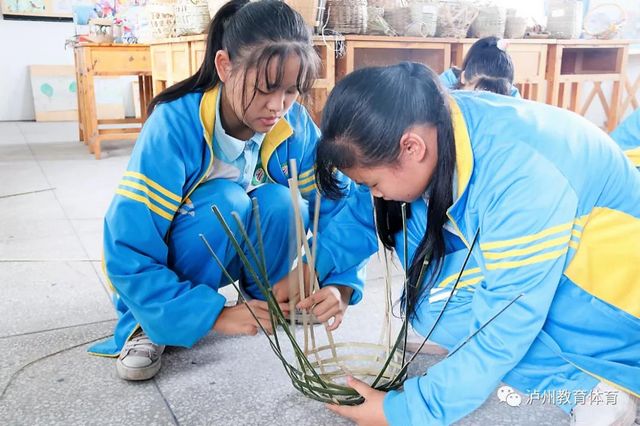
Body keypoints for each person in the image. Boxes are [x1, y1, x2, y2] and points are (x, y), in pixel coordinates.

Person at [314, 62, 640, 425]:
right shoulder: (438, 122)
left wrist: (403, 411)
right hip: (565, 263)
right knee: (427, 305)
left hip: (612, 299)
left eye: (372, 183)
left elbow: (505, 324)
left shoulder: (521, 175)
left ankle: (591, 387)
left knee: (497, 325)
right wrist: (319, 271)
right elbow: (367, 209)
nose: (374, 193)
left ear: (411, 147)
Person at [88, 0, 369, 382]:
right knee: (226, 200)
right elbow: (127, 246)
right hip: (180, 260)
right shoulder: (175, 124)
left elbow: (344, 208)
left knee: (283, 202)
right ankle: (149, 323)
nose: (277, 107)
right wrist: (214, 316)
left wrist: (337, 283)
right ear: (224, 66)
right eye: (265, 89)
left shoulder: (295, 126)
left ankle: (265, 301)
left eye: (291, 91)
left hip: (236, 247)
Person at [440, 36, 520, 97]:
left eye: (496, 99)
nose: (485, 106)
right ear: (463, 77)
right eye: (479, 97)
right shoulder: (442, 90)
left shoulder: (512, 97)